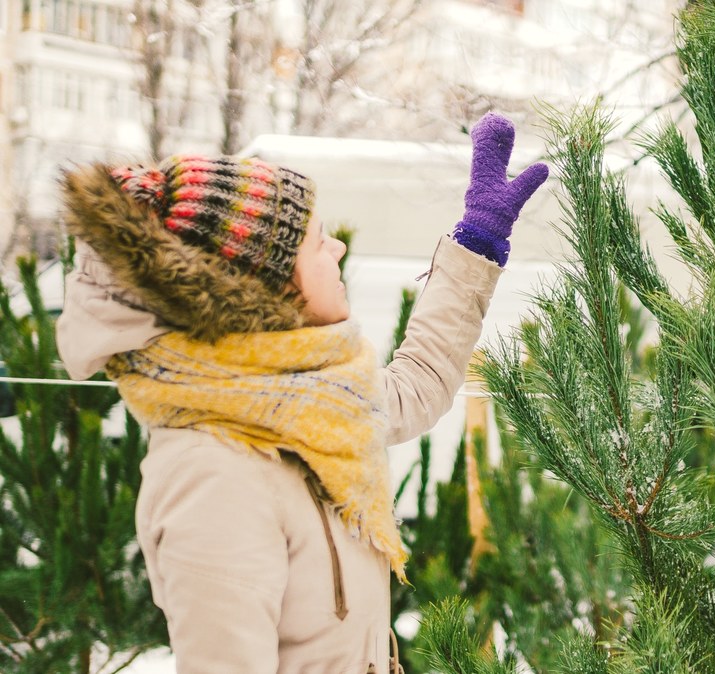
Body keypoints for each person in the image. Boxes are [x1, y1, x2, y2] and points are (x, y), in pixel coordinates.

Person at [54, 112, 548, 673]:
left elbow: (414, 387)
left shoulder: (303, 404)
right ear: (262, 290)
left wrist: (477, 242)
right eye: (315, 243)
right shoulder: (212, 474)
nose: (336, 249)